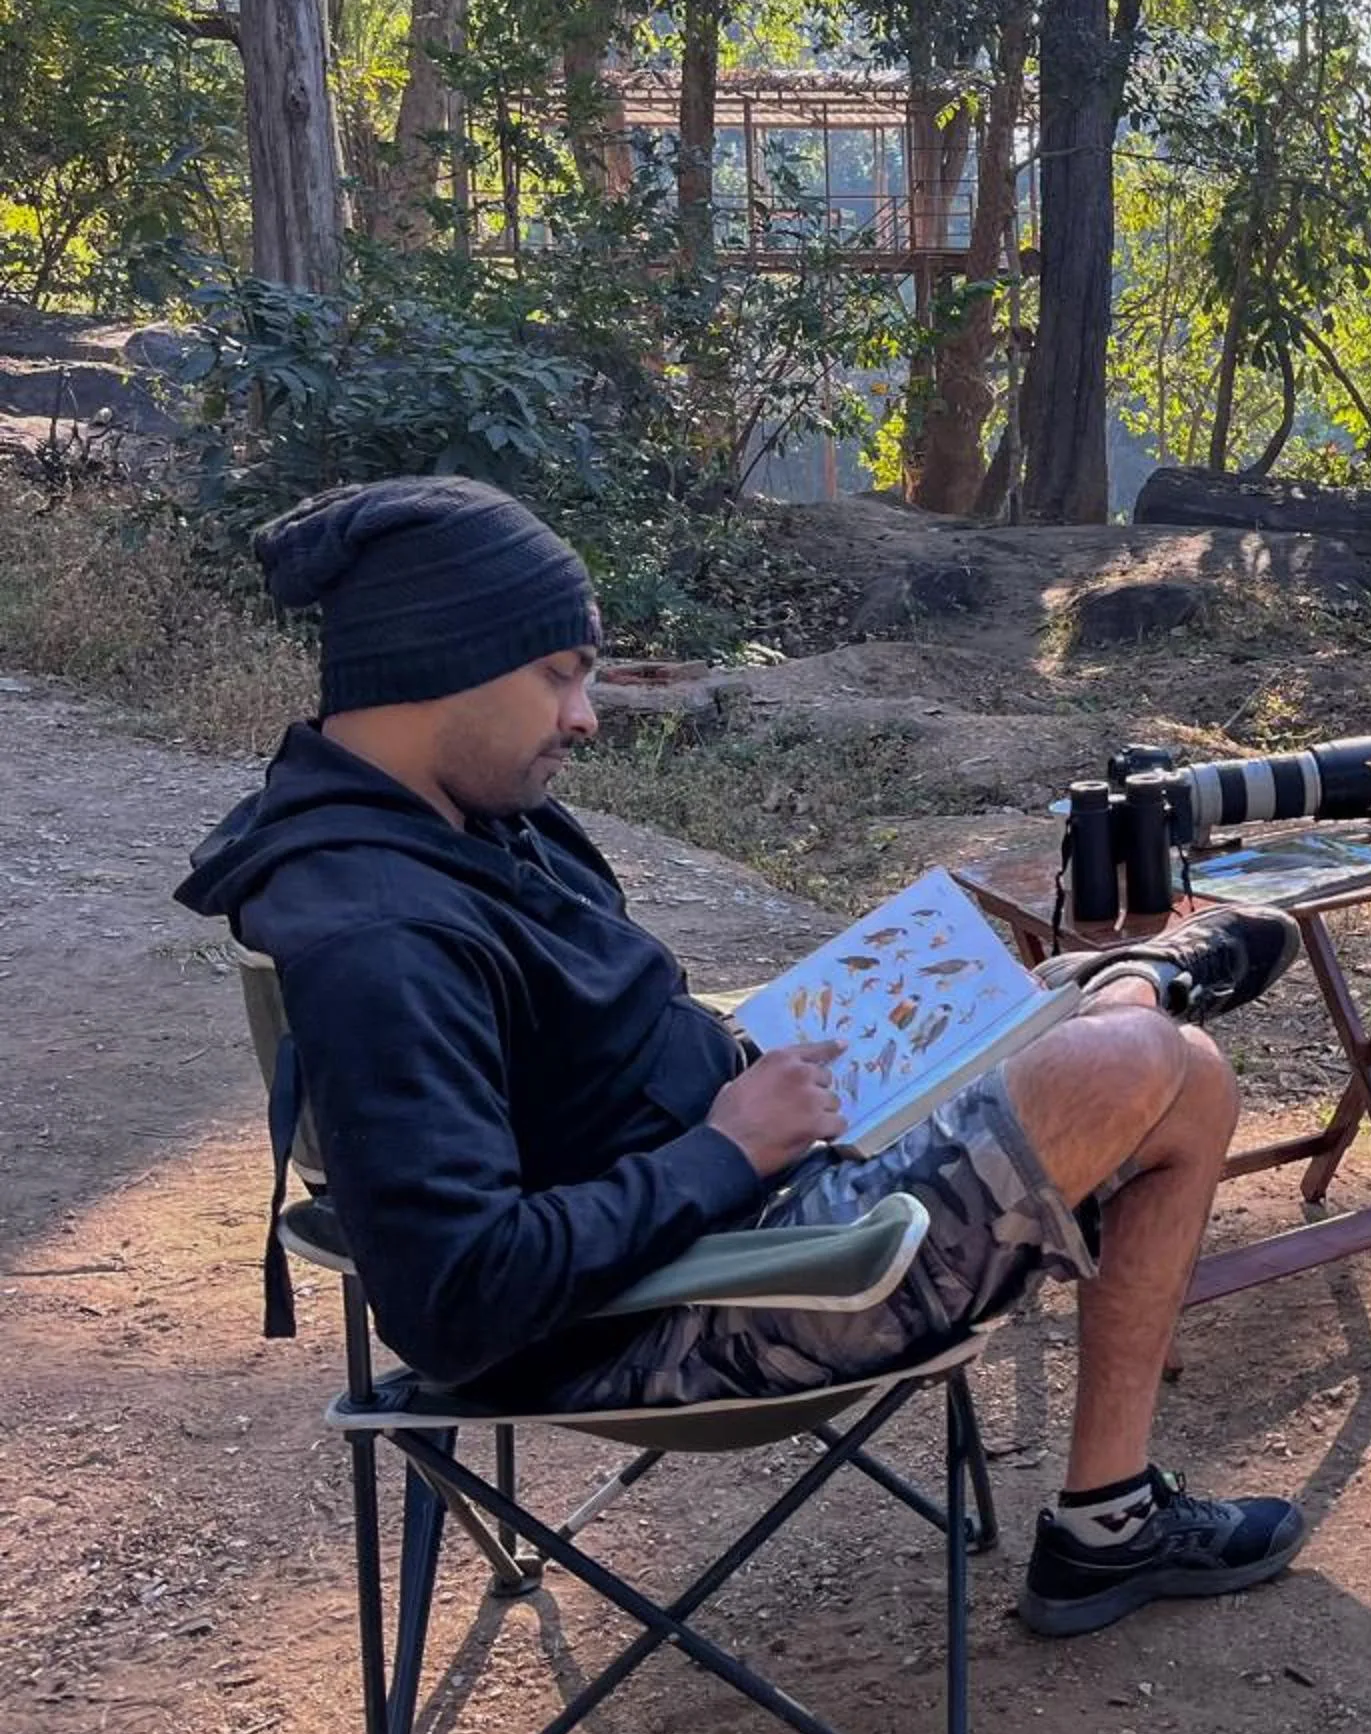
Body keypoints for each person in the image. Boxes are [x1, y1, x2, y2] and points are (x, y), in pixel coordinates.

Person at [176, 475, 1309, 1638]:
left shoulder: (459, 822)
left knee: (1172, 1073)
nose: (587, 714)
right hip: (681, 1302)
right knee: (1134, 1061)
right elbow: (459, 1301)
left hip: (734, 1160)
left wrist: (748, 1081)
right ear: (441, 663)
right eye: (558, 674)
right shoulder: (380, 936)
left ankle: (1103, 1525)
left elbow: (579, 1047)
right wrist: (729, 1147)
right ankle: (1142, 978)